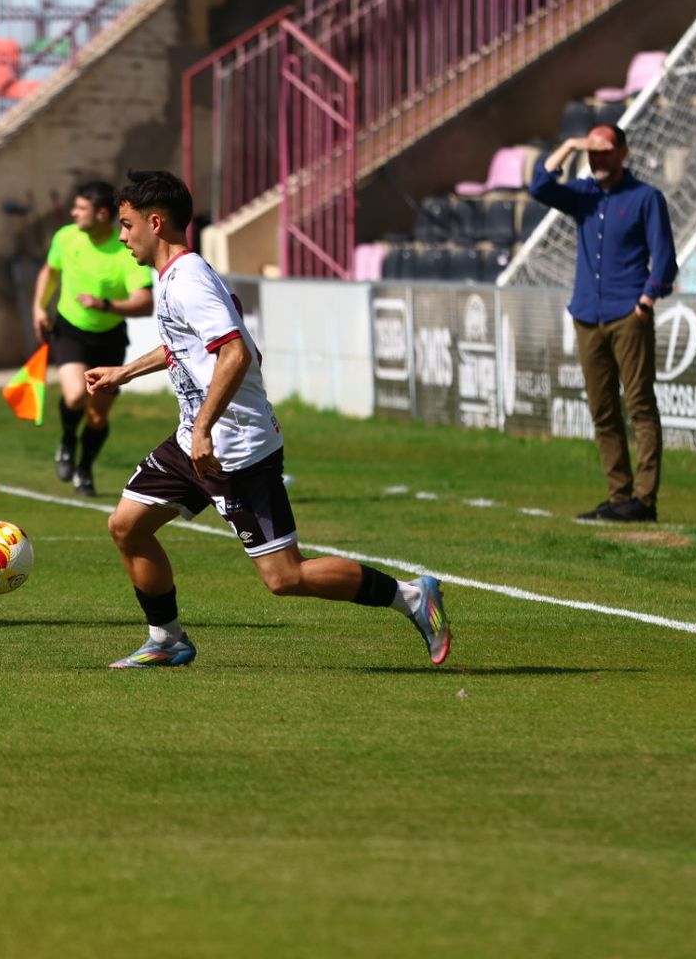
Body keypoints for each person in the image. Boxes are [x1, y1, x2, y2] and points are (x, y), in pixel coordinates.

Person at [85, 170, 452, 669]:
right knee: (127, 526)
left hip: (235, 447)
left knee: (285, 577)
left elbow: (235, 354)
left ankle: (410, 597)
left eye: (127, 225)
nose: (122, 237)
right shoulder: (172, 277)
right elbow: (184, 345)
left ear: (156, 222)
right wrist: (126, 372)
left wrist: (203, 428)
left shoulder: (189, 281)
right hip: (198, 439)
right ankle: (167, 640)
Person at [529, 124, 678, 523]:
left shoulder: (646, 198)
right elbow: (540, 186)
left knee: (640, 405)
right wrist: (570, 145)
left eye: (604, 150)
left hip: (628, 315)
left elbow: (664, 258)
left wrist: (645, 302)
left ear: (623, 152)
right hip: (587, 317)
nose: (597, 158)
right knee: (603, 409)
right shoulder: (583, 195)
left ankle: (644, 501)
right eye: (591, 152)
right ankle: (618, 496)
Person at [32, 180, 155, 497]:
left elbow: (144, 302)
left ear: (102, 214)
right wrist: (38, 308)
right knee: (75, 396)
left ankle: (84, 470)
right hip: (70, 328)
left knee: (98, 416)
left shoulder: (123, 249)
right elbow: (50, 270)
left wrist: (106, 305)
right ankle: (67, 440)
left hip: (110, 337)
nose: (73, 213)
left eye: (80, 208)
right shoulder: (66, 237)